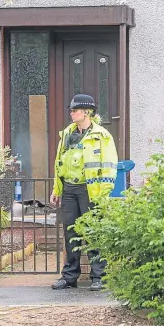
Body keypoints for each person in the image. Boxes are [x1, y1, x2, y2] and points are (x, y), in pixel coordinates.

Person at [50, 94, 118, 291]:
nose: (71, 113)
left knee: (93, 233)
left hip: (91, 191)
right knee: (71, 234)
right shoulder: (67, 135)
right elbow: (59, 165)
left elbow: (109, 166)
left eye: (75, 110)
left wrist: (103, 194)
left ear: (86, 112)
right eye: (71, 110)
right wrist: (57, 189)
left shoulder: (101, 136)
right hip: (70, 189)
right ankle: (69, 277)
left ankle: (99, 277)